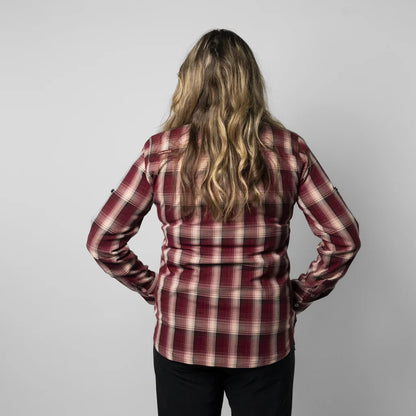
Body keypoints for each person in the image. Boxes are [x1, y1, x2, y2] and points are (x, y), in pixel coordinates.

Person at [86, 29, 361, 416]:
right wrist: (295, 297)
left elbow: (103, 240)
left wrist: (158, 291)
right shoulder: (288, 150)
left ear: (189, 83)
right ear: (250, 82)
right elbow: (343, 238)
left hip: (183, 334)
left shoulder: (160, 152)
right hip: (262, 337)